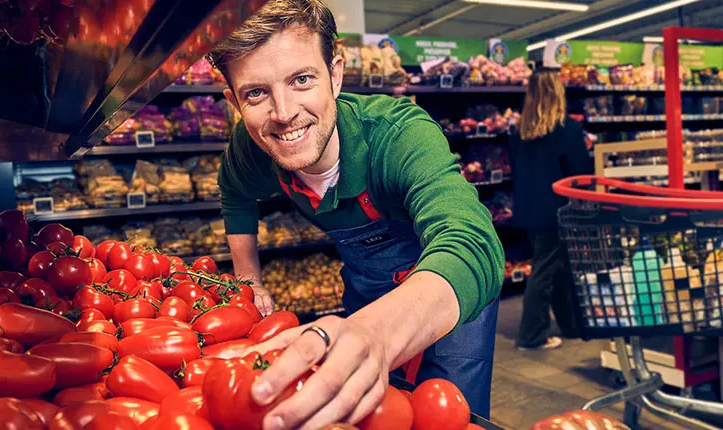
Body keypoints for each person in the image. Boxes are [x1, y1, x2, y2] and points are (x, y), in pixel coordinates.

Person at [209, 1, 504, 428]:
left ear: (336, 74)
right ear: (234, 102)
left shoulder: (398, 136)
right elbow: (234, 193)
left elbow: (472, 244)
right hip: (367, 293)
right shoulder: (253, 148)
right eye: (256, 92)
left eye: (302, 79)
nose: (283, 112)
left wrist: (376, 332)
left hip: (449, 293)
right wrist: (247, 277)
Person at [509, 68, 593, 351]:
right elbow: (580, 173)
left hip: (528, 210)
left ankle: (571, 325)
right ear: (557, 93)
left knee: (557, 267)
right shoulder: (566, 129)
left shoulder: (519, 131)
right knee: (545, 270)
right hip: (557, 210)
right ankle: (531, 335)